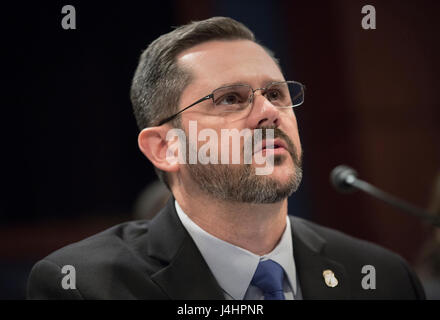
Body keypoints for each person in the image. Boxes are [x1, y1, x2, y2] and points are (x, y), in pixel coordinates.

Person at [27, 17, 425, 300]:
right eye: (231, 99)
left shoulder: (383, 277)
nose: (269, 111)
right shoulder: (84, 286)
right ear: (165, 148)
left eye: (276, 93)